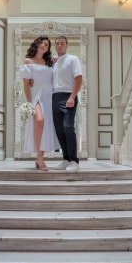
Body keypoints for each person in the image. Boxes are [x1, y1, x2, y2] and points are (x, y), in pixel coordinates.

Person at [19, 35, 60, 171]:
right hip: (37, 96)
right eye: (41, 43)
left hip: (50, 97)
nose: (44, 46)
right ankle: (40, 158)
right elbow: (26, 84)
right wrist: (29, 102)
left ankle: (39, 157)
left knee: (45, 126)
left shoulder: (50, 63)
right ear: (36, 45)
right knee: (39, 120)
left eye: (46, 45)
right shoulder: (28, 61)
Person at [52, 35, 82, 172]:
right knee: (59, 130)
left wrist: (72, 97)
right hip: (55, 97)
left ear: (67, 45)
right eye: (57, 43)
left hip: (68, 97)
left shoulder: (73, 59)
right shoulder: (54, 63)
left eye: (62, 43)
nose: (59, 45)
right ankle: (66, 159)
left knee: (67, 128)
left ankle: (74, 161)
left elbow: (79, 79)